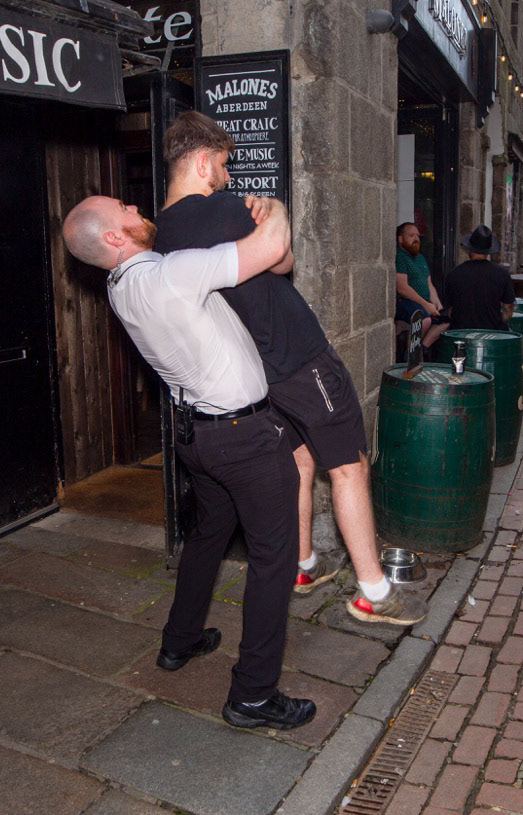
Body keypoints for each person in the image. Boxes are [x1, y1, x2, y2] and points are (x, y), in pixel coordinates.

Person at [155, 111, 425, 626]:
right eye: (225, 166)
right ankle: (373, 590)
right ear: (203, 162)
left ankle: (302, 565)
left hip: (252, 377)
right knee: (348, 466)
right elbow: (282, 258)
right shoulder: (223, 209)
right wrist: (276, 207)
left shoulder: (160, 234)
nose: (230, 178)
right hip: (298, 361)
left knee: (300, 461)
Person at [62, 193, 316, 730]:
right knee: (275, 558)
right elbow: (271, 246)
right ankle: (252, 695)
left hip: (198, 440)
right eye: (125, 211)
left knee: (208, 535)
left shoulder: (122, 286)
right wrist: (275, 206)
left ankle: (179, 641)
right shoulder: (168, 276)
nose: (136, 208)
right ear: (113, 238)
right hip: (243, 438)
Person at [442, 225, 515, 330]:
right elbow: (508, 310)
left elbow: (449, 310)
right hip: (493, 333)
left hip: (460, 332)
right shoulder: (502, 273)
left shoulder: (454, 273)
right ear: (488, 251)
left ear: (469, 249)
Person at [395, 223, 449, 350]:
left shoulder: (421, 258)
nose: (416, 239)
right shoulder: (400, 257)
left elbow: (429, 285)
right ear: (400, 239)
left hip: (424, 304)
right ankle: (410, 357)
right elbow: (402, 288)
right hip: (405, 302)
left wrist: (438, 305)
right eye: (411, 235)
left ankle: (423, 349)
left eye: (418, 236)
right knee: (424, 320)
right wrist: (426, 305)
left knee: (446, 321)